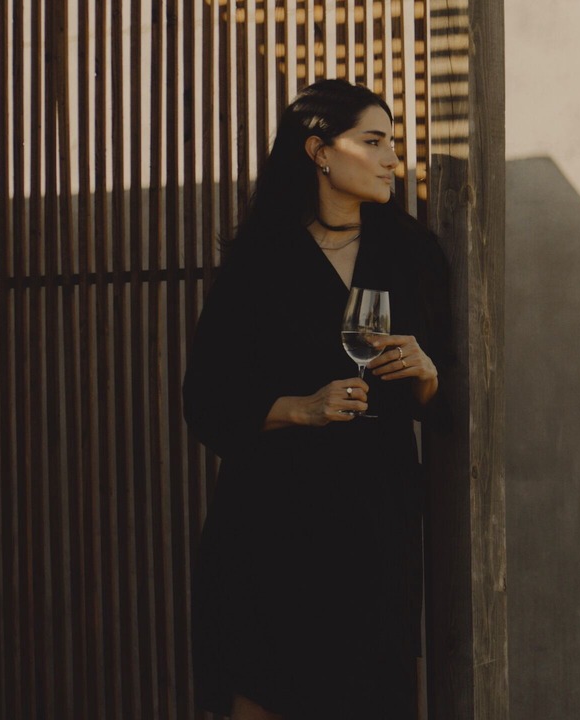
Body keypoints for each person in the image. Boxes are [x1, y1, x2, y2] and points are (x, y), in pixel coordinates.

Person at [183, 78, 451, 719]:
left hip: (373, 517)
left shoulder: (411, 251)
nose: (394, 158)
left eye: (394, 143)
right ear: (319, 151)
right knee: (267, 690)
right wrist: (300, 407)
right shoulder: (258, 260)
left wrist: (426, 370)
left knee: (370, 693)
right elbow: (206, 399)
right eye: (375, 141)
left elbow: (445, 393)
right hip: (271, 521)